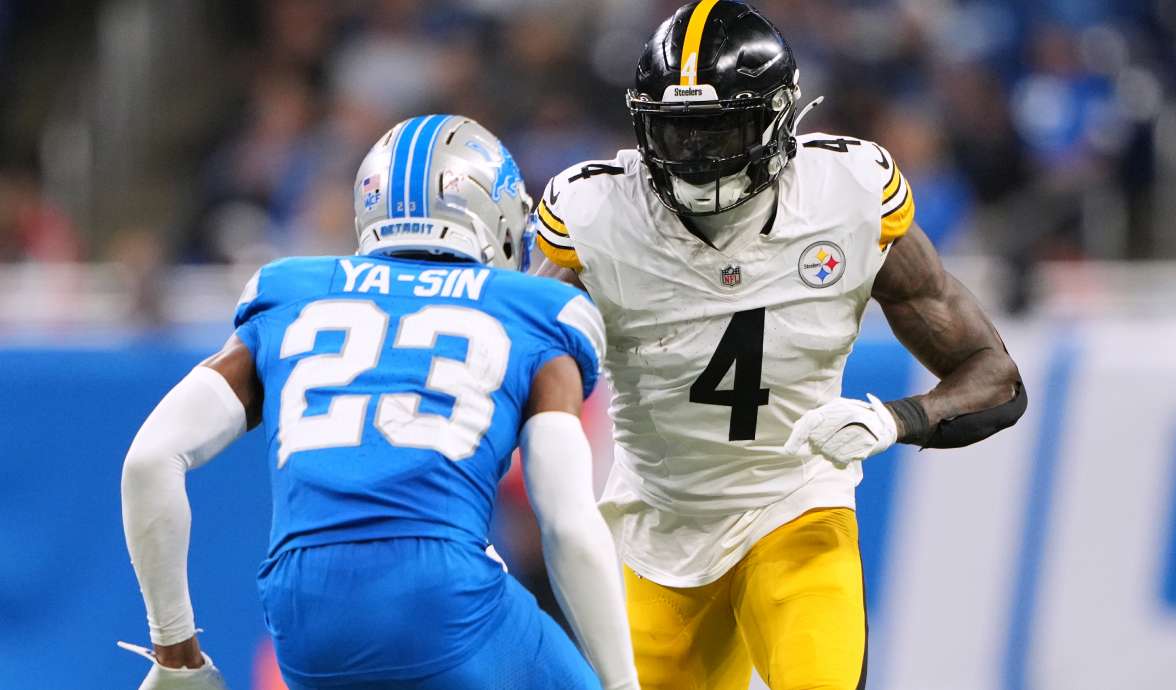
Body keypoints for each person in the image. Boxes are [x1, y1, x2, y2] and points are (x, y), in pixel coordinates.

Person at [532, 2, 1027, 689]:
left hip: (794, 503)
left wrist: (894, 420)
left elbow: (995, 376)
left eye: (721, 129)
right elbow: (513, 366)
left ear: (778, 119)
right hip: (656, 527)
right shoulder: (598, 216)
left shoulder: (845, 196)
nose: (698, 156)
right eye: (678, 132)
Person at [120, 115, 639, 690]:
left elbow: (149, 460)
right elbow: (567, 523)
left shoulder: (291, 292)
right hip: (443, 591)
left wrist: (176, 655)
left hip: (301, 612)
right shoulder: (535, 311)